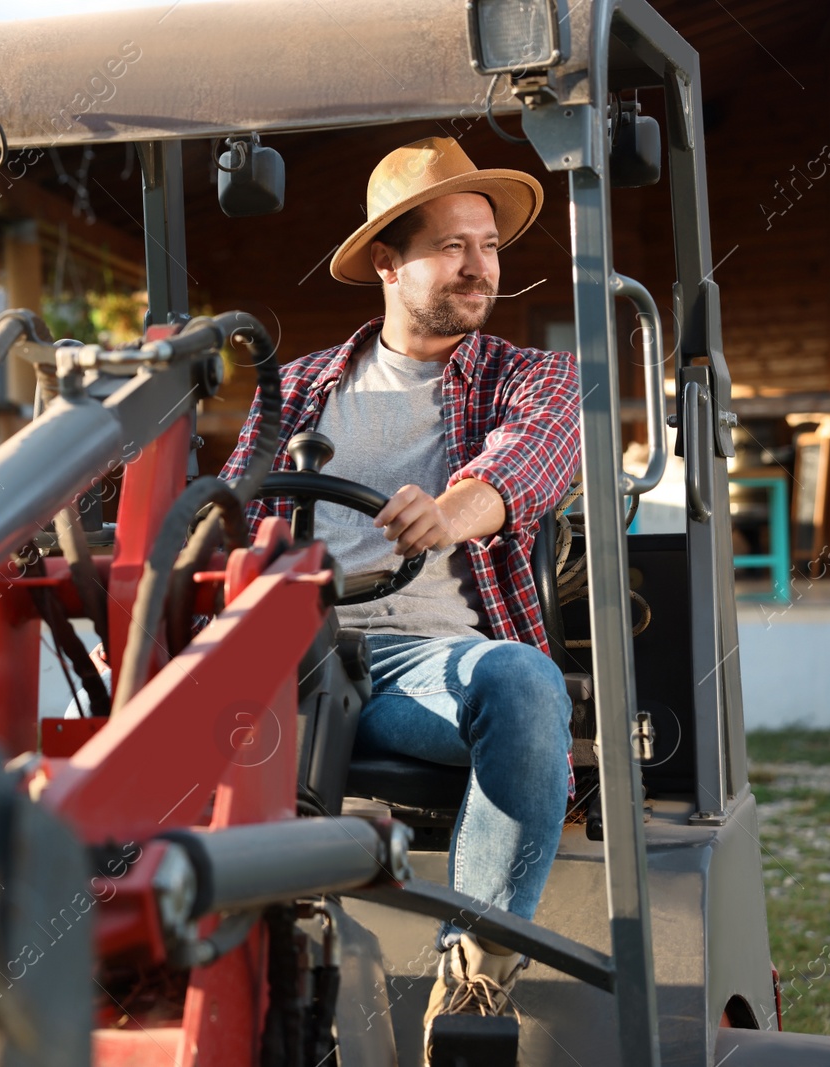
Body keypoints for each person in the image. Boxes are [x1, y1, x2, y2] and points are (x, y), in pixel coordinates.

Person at [219, 136, 580, 1052]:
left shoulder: (524, 377)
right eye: (453, 245)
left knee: (526, 682)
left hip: (426, 664)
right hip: (288, 655)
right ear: (388, 260)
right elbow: (220, 520)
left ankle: (472, 979)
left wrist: (458, 510)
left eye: (490, 245)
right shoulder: (293, 390)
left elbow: (531, 461)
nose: (479, 267)